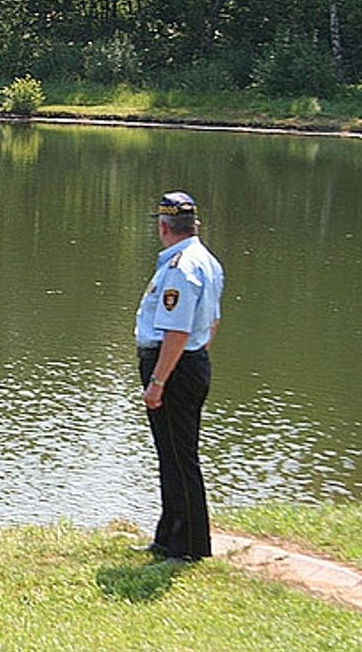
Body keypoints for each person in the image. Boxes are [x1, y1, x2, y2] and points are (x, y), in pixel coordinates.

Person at [134, 191, 225, 563]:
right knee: (172, 455)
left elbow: (176, 332)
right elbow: (213, 322)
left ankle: (188, 546)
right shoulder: (207, 261)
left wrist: (158, 382)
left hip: (174, 366)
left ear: (163, 226)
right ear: (194, 225)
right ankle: (170, 536)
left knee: (178, 457)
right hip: (189, 362)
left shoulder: (180, 268)